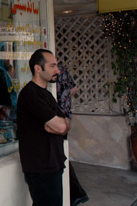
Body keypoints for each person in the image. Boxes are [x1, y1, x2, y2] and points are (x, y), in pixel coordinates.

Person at [17, 49, 70, 206]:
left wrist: (60, 125)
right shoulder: (30, 94)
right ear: (38, 68)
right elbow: (61, 126)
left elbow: (66, 123)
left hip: (53, 164)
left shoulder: (46, 94)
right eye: (52, 65)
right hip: (40, 167)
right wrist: (60, 125)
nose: (57, 70)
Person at [56, 63, 89, 206]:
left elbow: (73, 87)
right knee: (61, 154)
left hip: (58, 117)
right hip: (63, 115)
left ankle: (76, 193)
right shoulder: (61, 70)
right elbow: (74, 87)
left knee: (60, 155)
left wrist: (62, 100)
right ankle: (76, 193)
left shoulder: (54, 71)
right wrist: (66, 98)